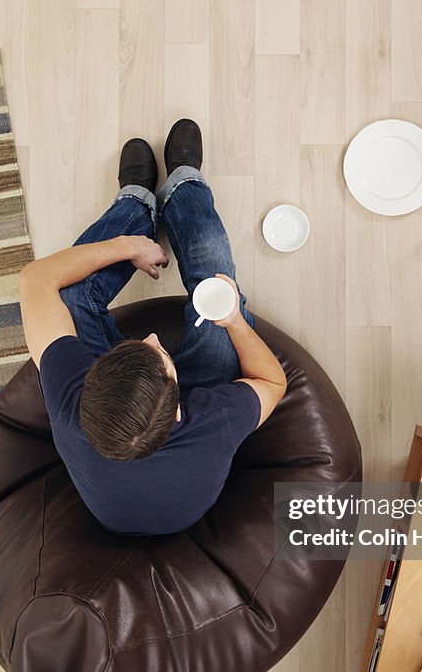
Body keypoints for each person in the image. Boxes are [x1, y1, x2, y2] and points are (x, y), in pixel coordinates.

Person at [17, 119, 287, 535]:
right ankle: (184, 187)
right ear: (181, 409)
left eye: (145, 346)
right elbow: (272, 382)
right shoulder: (211, 424)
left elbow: (34, 280)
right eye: (159, 353)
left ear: (90, 379)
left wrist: (126, 248)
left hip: (128, 441)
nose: (154, 337)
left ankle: (136, 204)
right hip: (181, 447)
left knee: (69, 298)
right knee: (217, 281)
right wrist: (232, 318)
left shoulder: (69, 399)